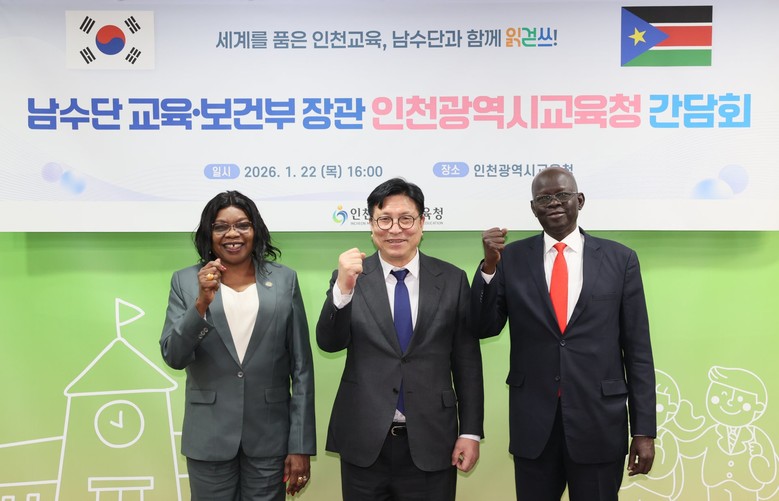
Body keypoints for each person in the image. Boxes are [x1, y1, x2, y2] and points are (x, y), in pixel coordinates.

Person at [471, 167, 656, 501]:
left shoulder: (620, 260)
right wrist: (489, 267)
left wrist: (643, 431)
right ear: (533, 208)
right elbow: (485, 327)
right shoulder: (511, 259)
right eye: (544, 199)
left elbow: (638, 352)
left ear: (579, 200)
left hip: (599, 423)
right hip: (534, 425)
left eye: (562, 195)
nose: (554, 203)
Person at [316, 177, 484, 501]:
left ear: (422, 223)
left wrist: (470, 432)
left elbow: (467, 362)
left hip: (433, 440)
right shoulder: (350, 278)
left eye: (405, 219)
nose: (395, 229)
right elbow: (329, 343)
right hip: (365, 440)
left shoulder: (452, 279)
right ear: (371, 225)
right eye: (384, 220)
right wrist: (343, 290)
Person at [160, 190, 316, 500]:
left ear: (256, 230)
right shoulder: (186, 281)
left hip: (270, 437)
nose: (232, 234)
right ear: (209, 234)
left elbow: (302, 368)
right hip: (209, 437)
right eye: (221, 226)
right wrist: (201, 304)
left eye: (243, 225)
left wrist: (300, 444)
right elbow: (174, 356)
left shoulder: (284, 280)